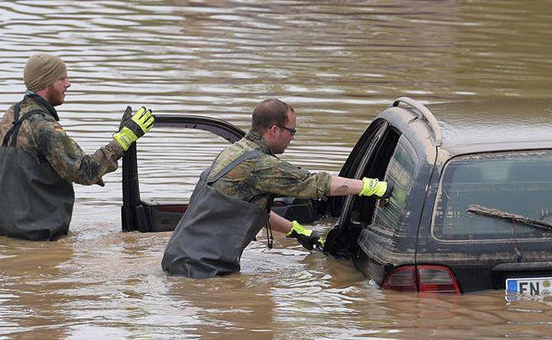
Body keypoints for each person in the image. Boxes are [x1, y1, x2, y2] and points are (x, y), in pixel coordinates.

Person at [161, 98, 388, 278]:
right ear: (274, 130)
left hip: (179, 260)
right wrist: (370, 187)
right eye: (292, 131)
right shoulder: (260, 165)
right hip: (200, 271)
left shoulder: (236, 152)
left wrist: (295, 230)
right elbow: (314, 182)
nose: (292, 138)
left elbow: (246, 208)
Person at [0, 53, 155, 241]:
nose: (68, 83)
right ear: (46, 82)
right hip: (36, 239)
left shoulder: (11, 115)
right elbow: (85, 170)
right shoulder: (43, 126)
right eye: (62, 78)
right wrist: (124, 138)